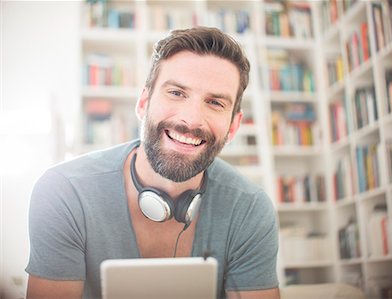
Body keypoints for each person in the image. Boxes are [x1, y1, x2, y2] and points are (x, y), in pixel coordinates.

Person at [26, 26, 280, 299]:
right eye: (176, 93)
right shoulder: (63, 192)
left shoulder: (250, 209)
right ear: (144, 103)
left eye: (215, 102)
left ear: (233, 127)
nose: (191, 119)